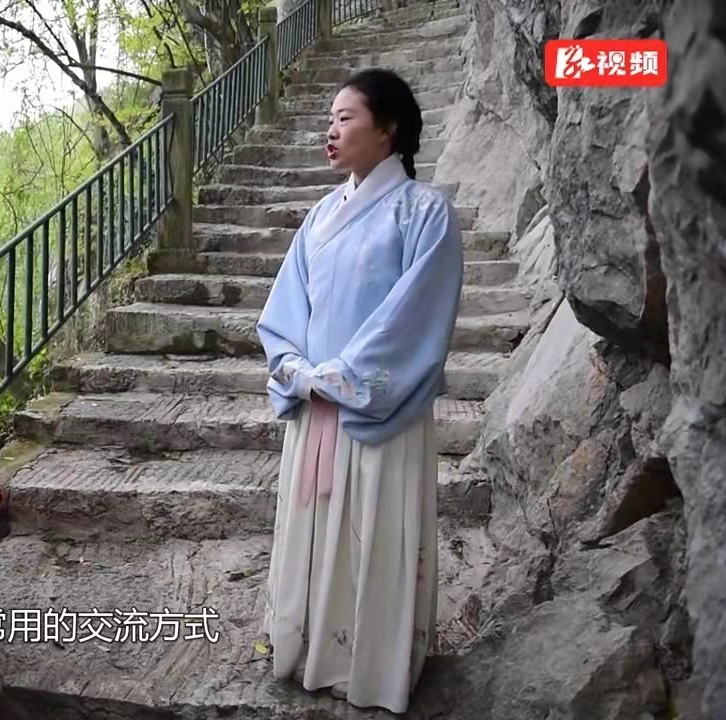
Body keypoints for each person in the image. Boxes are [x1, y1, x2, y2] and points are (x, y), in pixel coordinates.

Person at [256, 68, 464, 714]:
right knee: (317, 531)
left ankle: (371, 666)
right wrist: (296, 368)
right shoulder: (320, 215)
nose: (331, 130)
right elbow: (285, 311)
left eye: (345, 118)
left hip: (379, 413)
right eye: (330, 119)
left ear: (388, 129)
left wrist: (341, 377)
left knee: (374, 533)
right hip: (315, 410)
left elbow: (415, 315)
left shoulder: (425, 212)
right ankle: (308, 647)